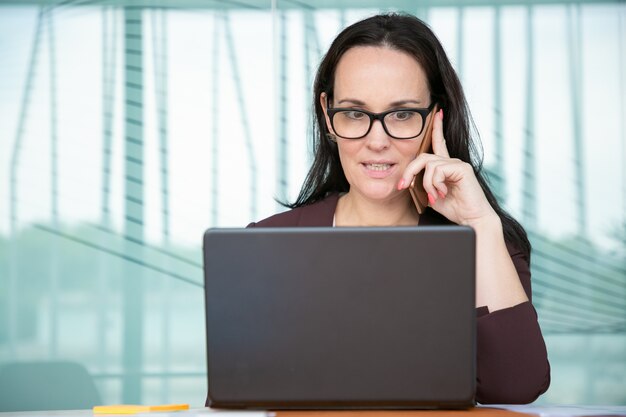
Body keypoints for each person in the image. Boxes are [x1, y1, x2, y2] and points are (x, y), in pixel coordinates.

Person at [249, 13, 550, 404]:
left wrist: (479, 225)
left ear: (435, 117)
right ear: (327, 114)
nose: (377, 141)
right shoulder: (266, 246)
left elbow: (518, 384)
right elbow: (236, 395)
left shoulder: (486, 242)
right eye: (355, 113)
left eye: (403, 114)